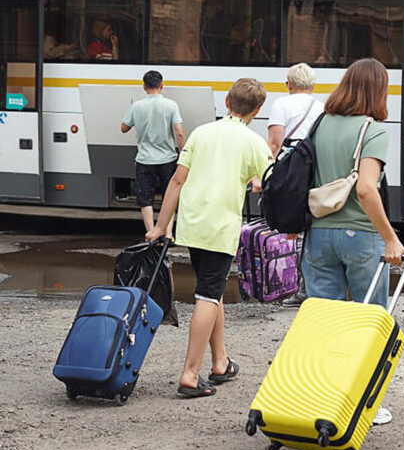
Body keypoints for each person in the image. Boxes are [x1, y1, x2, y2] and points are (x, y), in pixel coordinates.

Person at [146, 78, 274, 398]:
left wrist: (162, 225)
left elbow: (177, 181)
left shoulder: (201, 133)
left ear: (227, 102)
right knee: (206, 296)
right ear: (257, 111)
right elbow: (272, 182)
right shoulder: (253, 141)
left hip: (193, 224)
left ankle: (220, 363)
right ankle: (190, 374)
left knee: (211, 290)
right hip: (219, 227)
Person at [302, 58, 404, 426]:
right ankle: (367, 406)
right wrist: (390, 238)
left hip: (318, 234)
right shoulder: (373, 129)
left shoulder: (321, 124)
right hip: (361, 237)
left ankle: (322, 399)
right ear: (378, 90)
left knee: (323, 323)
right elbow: (366, 187)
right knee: (368, 324)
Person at [267, 63, 325, 309]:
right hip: (314, 168)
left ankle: (297, 287)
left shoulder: (281, 104)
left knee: (292, 224)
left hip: (291, 170)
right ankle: (310, 285)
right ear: (312, 85)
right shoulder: (321, 106)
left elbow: (274, 143)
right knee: (309, 222)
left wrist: (267, 175)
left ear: (288, 84)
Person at [121, 71, 186, 237]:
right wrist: (184, 152)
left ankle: (151, 233)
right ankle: (168, 233)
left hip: (145, 160)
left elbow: (124, 128)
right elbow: (179, 132)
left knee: (146, 198)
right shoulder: (171, 105)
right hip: (168, 159)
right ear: (162, 85)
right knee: (169, 196)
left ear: (144, 86)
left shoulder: (137, 106)